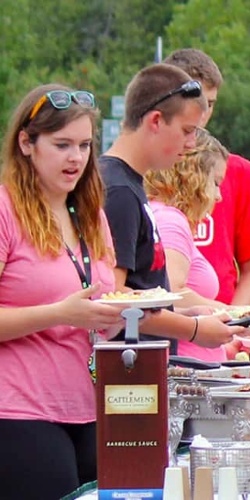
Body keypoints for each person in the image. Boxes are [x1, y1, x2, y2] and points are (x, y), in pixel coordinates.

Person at [0, 84, 130, 498]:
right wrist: (59, 313)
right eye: (61, 145)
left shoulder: (90, 214)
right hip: (19, 411)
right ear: (26, 143)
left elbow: (103, 300)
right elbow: (65, 310)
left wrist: (118, 317)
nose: (76, 158)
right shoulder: (5, 209)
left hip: (90, 406)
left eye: (85, 145)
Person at [101, 63, 243, 349]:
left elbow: (139, 294)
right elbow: (113, 299)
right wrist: (191, 329)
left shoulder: (129, 185)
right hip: (127, 375)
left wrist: (184, 313)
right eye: (187, 130)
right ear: (155, 121)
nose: (192, 143)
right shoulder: (118, 190)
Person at [164, 48, 250, 307]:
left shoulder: (237, 172)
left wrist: (232, 323)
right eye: (195, 101)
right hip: (162, 327)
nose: (202, 113)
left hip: (219, 328)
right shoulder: (146, 170)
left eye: (210, 103)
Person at [144, 129, 239, 361]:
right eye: (215, 183)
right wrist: (228, 311)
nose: (218, 196)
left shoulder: (159, 214)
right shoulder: (171, 220)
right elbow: (172, 293)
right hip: (190, 370)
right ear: (193, 177)